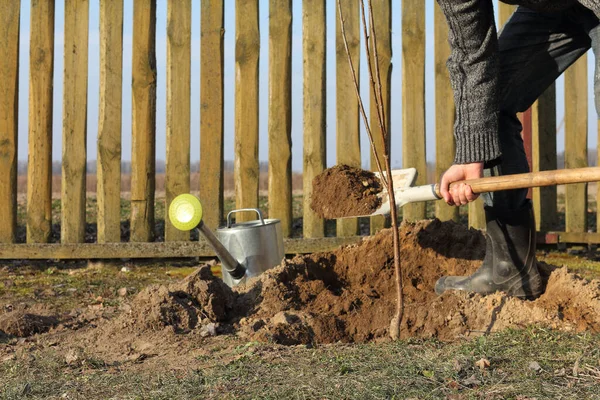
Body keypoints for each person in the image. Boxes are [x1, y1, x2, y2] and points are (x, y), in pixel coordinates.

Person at [435, 1, 600, 299]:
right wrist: (472, 151)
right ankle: (508, 269)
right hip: (553, 8)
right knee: (488, 106)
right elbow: (472, 53)